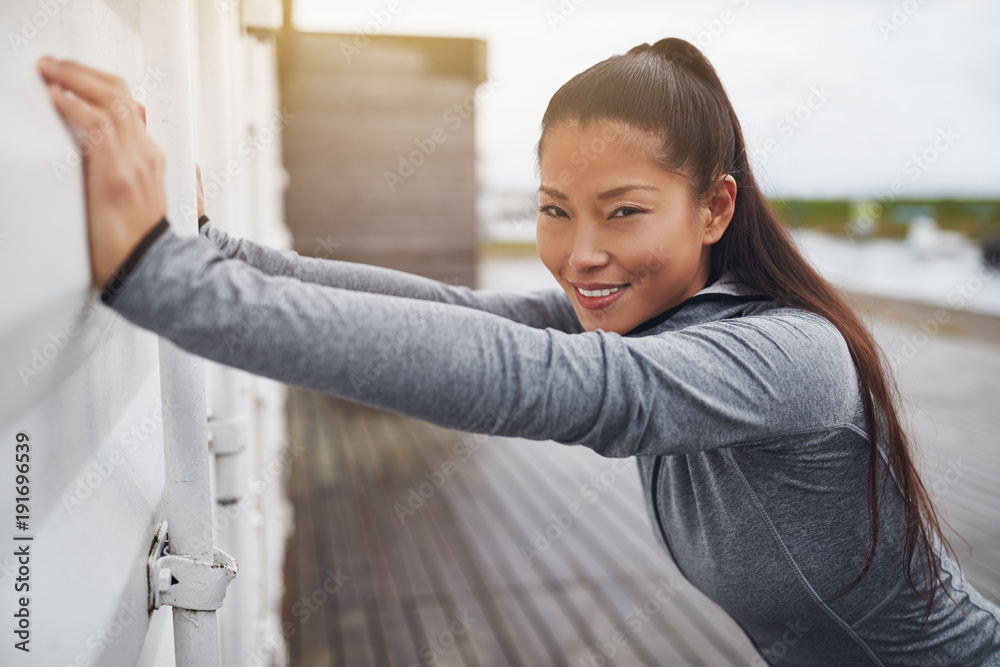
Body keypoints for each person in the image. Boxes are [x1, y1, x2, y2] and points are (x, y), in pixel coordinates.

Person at [37, 37, 1000, 665]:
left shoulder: (792, 355)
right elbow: (468, 313)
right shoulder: (652, 317)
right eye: (553, 211)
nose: (582, 255)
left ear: (715, 206)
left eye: (624, 213)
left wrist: (159, 278)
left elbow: (542, 382)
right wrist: (222, 254)